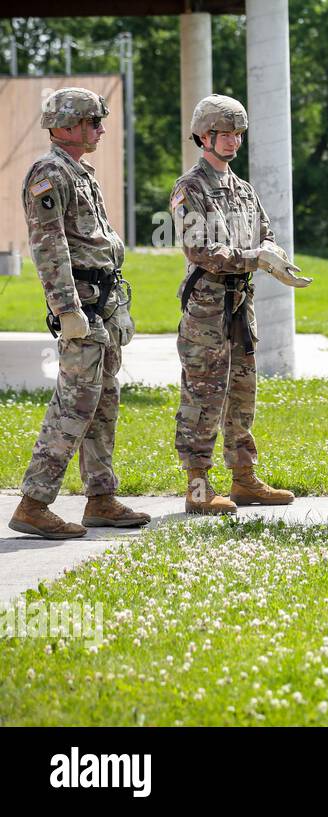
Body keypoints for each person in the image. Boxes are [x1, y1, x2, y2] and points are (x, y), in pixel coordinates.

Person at [7, 88, 149, 539]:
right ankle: (34, 503)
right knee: (75, 403)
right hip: (82, 307)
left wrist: (117, 308)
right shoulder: (49, 174)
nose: (101, 129)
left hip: (103, 304)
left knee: (104, 402)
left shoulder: (80, 172)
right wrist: (66, 309)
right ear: (66, 127)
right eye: (92, 122)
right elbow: (50, 246)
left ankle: (101, 497)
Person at [170, 94, 313, 515]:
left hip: (239, 308)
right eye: (224, 134)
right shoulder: (189, 188)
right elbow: (201, 249)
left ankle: (244, 478)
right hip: (206, 310)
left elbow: (264, 231)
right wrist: (257, 259)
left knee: (242, 393)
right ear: (203, 136)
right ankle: (197, 486)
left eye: (237, 134)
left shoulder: (243, 189)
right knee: (203, 395)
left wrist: (274, 255)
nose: (233, 141)